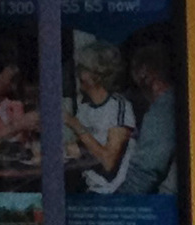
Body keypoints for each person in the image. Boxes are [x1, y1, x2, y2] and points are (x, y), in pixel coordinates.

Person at [115, 37, 181, 196]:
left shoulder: (163, 108)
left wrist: (113, 206)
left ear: (145, 73)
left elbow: (143, 174)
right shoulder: (178, 101)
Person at [67, 39, 135, 193]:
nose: (77, 73)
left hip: (110, 192)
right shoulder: (85, 107)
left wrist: (75, 125)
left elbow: (108, 162)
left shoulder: (119, 106)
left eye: (82, 68)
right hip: (88, 186)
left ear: (97, 74)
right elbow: (83, 150)